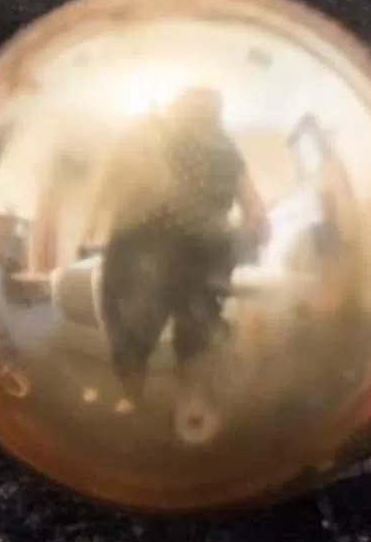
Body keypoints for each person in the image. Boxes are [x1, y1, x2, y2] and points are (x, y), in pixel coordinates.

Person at [95, 85, 269, 393]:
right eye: (195, 103)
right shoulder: (158, 134)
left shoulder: (219, 147)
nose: (199, 111)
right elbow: (256, 211)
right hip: (166, 247)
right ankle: (167, 397)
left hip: (171, 248)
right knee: (172, 337)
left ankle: (153, 396)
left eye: (206, 106)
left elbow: (255, 210)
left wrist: (249, 230)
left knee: (150, 338)